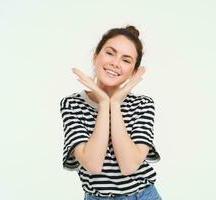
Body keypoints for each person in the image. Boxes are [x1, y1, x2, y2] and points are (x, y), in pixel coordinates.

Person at [60, 25, 162, 200]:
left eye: (126, 60)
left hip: (143, 196)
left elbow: (129, 166)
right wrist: (104, 103)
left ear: (134, 72)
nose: (115, 63)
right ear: (95, 57)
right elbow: (92, 164)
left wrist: (114, 103)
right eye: (110, 53)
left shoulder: (143, 105)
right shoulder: (72, 104)